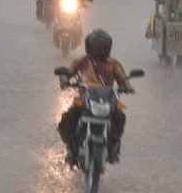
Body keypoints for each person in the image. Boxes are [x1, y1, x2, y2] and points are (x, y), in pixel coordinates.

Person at [57, 29, 135, 165]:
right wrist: (64, 80)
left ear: (107, 48)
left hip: (108, 99)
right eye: (95, 48)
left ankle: (113, 145)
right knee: (70, 115)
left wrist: (127, 86)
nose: (98, 51)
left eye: (101, 48)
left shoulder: (114, 63)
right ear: (89, 48)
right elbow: (68, 73)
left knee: (119, 116)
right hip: (85, 98)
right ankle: (71, 146)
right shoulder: (80, 61)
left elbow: (123, 79)